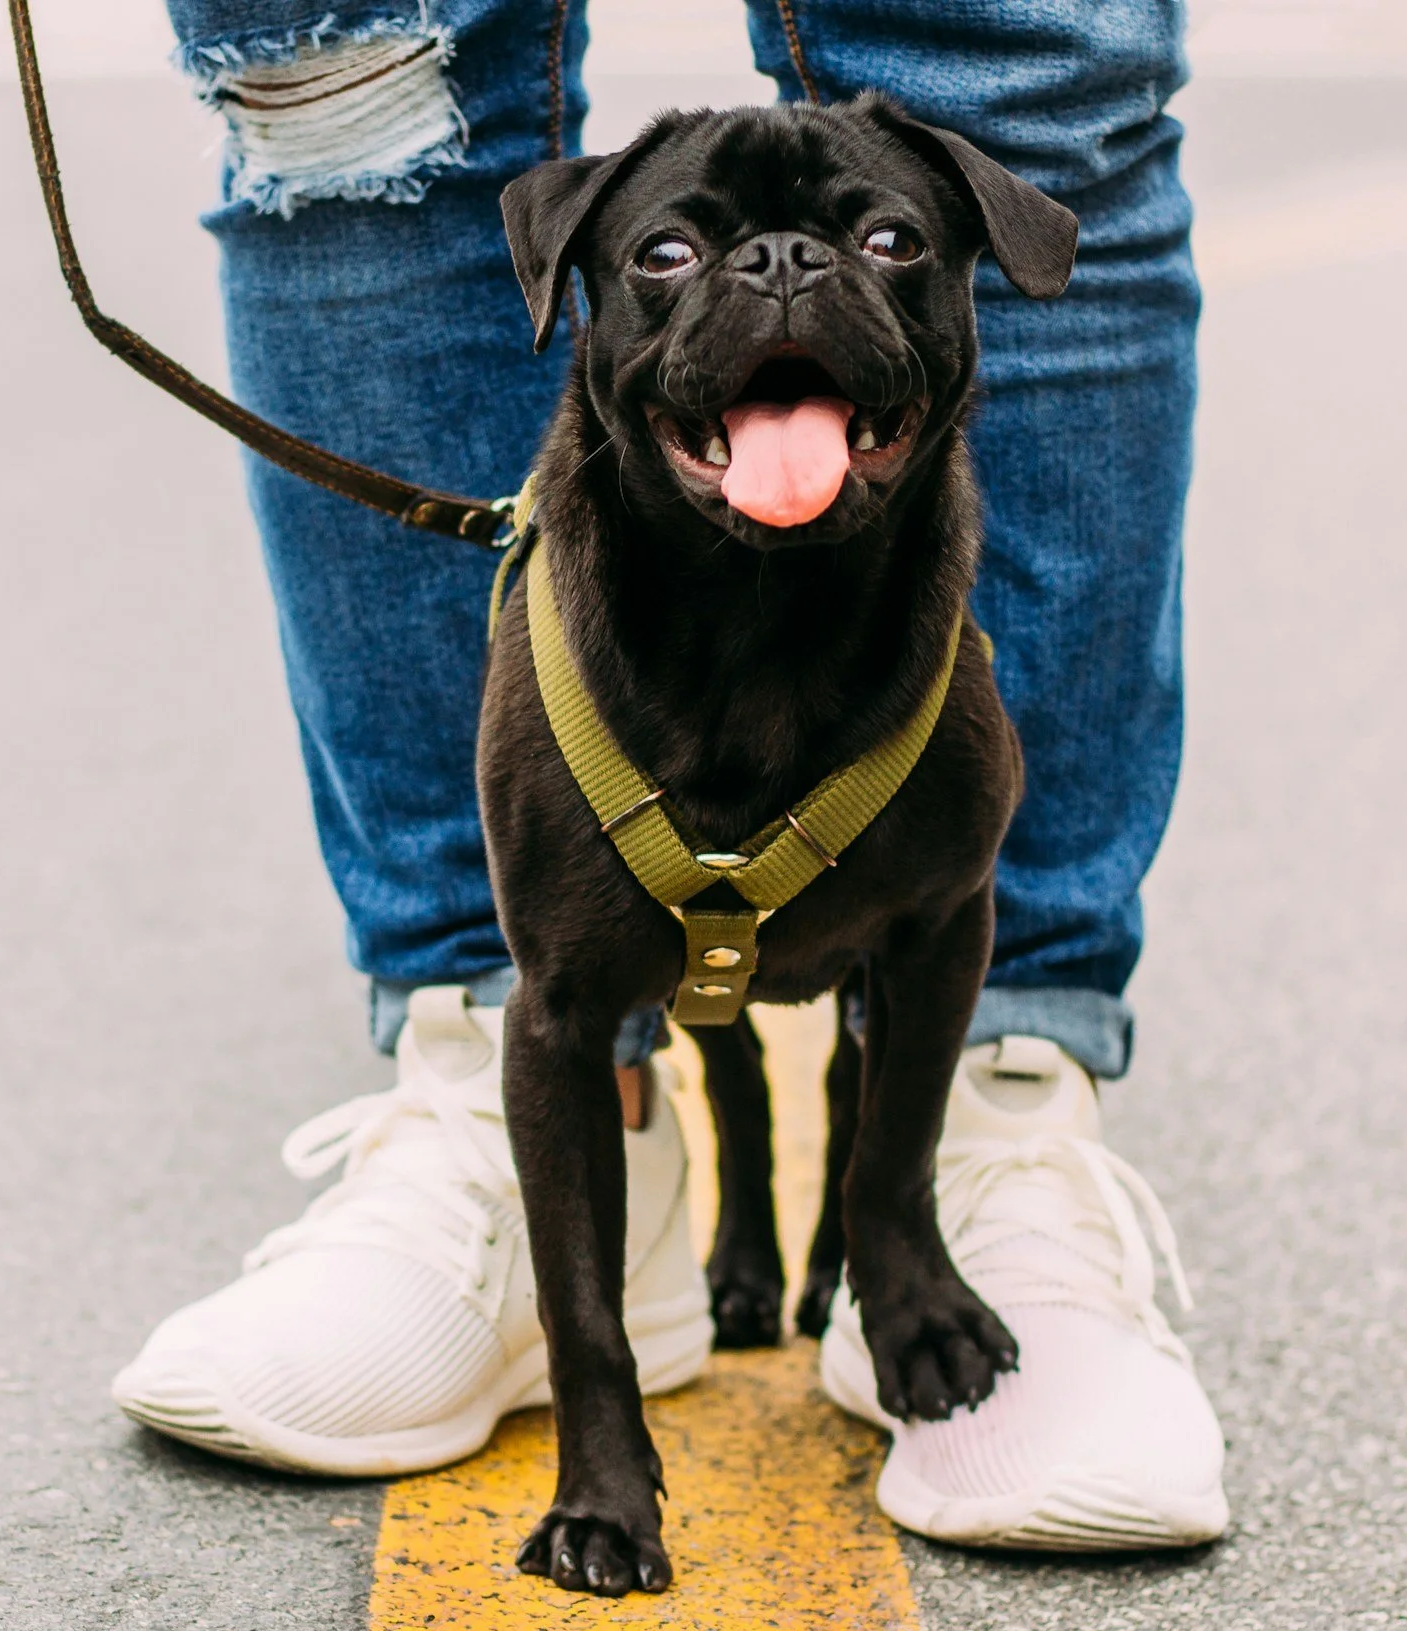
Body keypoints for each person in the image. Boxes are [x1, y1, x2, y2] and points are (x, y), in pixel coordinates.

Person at [111, 0, 1228, 1550]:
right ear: (572, 285)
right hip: (602, 721)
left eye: (884, 245)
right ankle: (483, 1070)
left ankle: (971, 1137)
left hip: (903, 760)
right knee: (339, 69)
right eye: (676, 258)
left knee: (1021, 52)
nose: (778, 278)